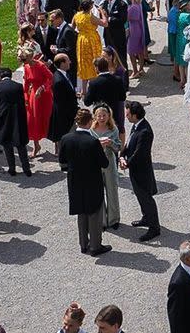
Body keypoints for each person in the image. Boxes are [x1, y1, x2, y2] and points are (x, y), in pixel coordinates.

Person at [57, 108, 109, 257]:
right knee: (94, 213)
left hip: (75, 182)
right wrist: (102, 148)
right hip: (92, 181)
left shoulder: (66, 139)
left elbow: (63, 162)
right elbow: (104, 163)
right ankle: (95, 246)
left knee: (81, 213)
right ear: (90, 122)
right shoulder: (93, 142)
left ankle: (83, 244)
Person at [121, 100, 160, 242]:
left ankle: (154, 228)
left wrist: (126, 163)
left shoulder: (145, 131)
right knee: (139, 195)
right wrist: (122, 155)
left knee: (146, 198)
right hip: (135, 169)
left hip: (141, 171)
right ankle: (146, 217)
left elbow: (140, 153)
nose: (126, 116)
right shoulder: (136, 126)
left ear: (135, 115)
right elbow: (129, 143)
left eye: (128, 114)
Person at [0, 66, 32, 177]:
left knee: (7, 144)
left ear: (0, 76)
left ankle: (12, 169)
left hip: (3, 117)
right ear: (11, 75)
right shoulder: (18, 86)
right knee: (21, 144)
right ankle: (27, 169)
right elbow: (22, 103)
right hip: (18, 117)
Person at [20, 48, 54, 158]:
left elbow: (50, 78)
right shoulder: (26, 66)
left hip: (44, 95)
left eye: (24, 59)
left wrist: (43, 87)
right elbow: (26, 84)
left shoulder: (40, 66)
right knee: (33, 120)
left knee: (47, 118)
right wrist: (25, 97)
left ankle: (56, 145)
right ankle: (36, 145)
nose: (23, 61)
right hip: (33, 96)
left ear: (30, 57)